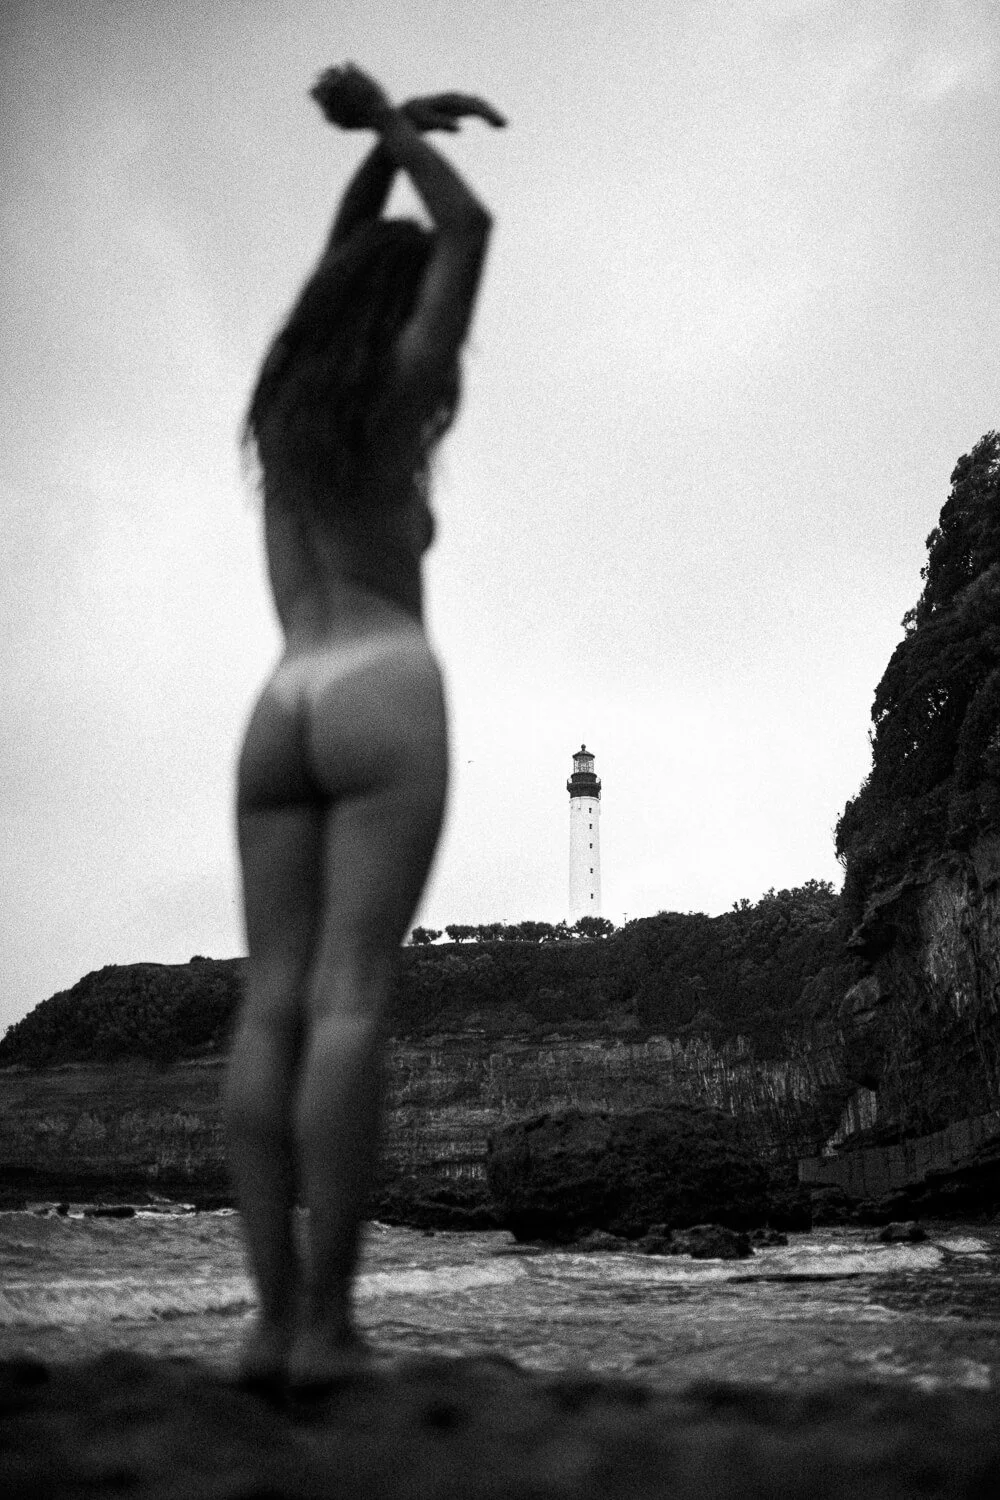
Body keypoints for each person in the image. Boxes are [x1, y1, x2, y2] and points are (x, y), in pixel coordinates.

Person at [224, 63, 505, 1392]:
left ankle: (266, 1324)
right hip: (386, 683)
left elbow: (343, 264)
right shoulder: (399, 391)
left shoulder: (284, 408)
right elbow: (471, 233)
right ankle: (331, 1332)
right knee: (348, 999)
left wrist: (379, 155)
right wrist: (396, 125)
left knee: (268, 1003)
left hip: (278, 705)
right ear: (396, 312)